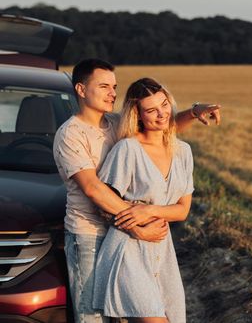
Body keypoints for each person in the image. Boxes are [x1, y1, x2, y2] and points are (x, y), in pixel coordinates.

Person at [53, 59, 220, 323]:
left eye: (115, 86)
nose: (112, 93)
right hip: (89, 234)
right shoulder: (70, 134)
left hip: (125, 236)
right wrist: (137, 224)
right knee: (93, 318)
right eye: (104, 86)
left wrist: (194, 111)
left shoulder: (116, 123)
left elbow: (161, 127)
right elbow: (94, 189)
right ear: (81, 90)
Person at [93, 78, 192, 322]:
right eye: (151, 110)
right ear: (137, 115)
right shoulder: (127, 149)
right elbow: (104, 205)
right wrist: (138, 226)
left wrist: (148, 211)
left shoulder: (183, 152)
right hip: (128, 251)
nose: (162, 114)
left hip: (162, 253)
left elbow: (182, 210)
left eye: (164, 105)